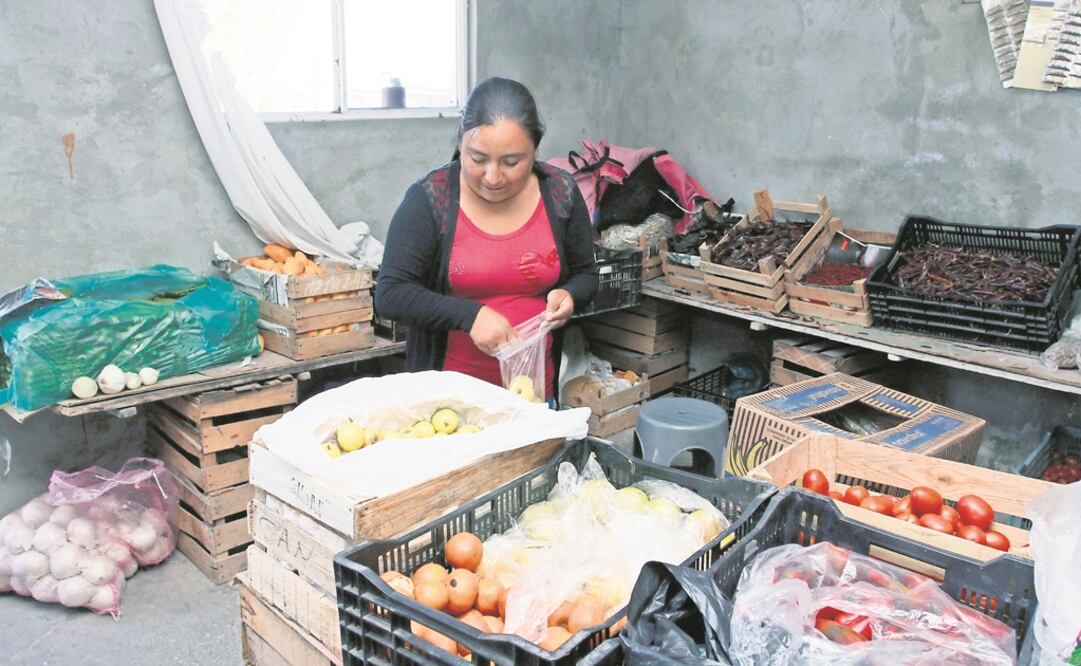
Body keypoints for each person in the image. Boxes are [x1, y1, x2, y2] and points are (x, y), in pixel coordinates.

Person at [374, 77, 597, 401]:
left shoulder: (560, 193)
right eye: (478, 159)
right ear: (461, 144)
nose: (493, 177)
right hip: (448, 405)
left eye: (511, 162)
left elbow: (586, 274)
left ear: (535, 150)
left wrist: (570, 295)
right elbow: (391, 294)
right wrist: (470, 316)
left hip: (533, 399)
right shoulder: (430, 199)